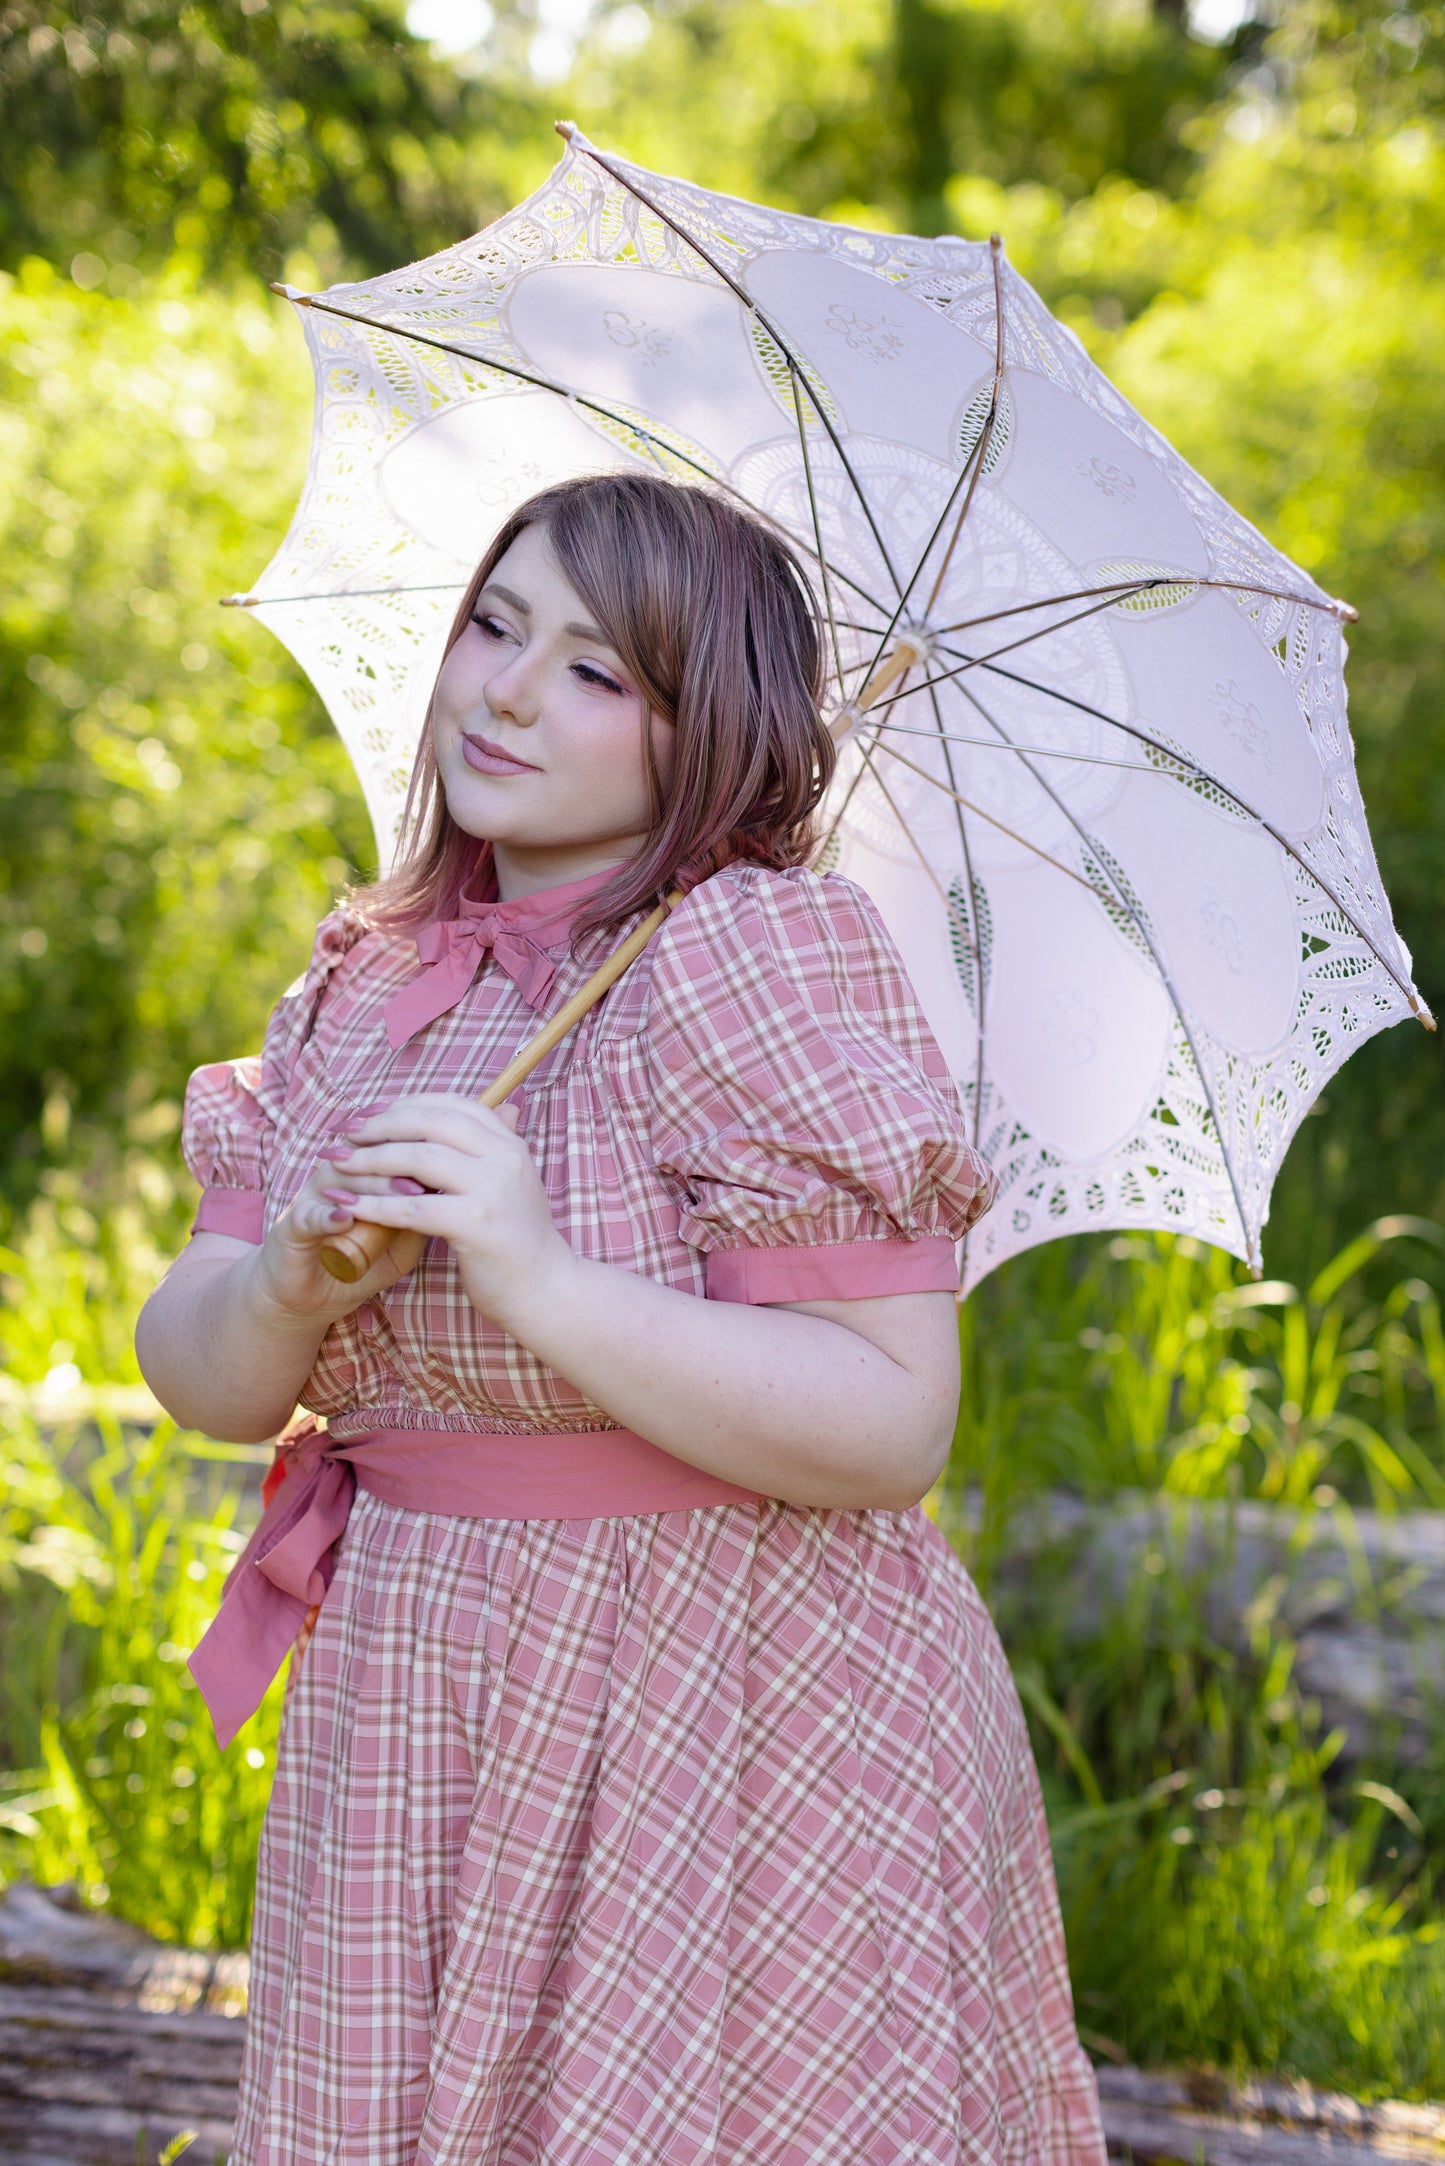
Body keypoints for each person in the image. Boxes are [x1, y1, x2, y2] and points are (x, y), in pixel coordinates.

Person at [136, 473, 1106, 2166]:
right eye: (494, 626)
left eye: (595, 670)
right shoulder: (373, 978)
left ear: (703, 727)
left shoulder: (749, 956)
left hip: (719, 1690)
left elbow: (891, 1424)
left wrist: (541, 1276)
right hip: (417, 1688)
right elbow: (203, 1377)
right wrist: (286, 1284)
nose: (505, 689)